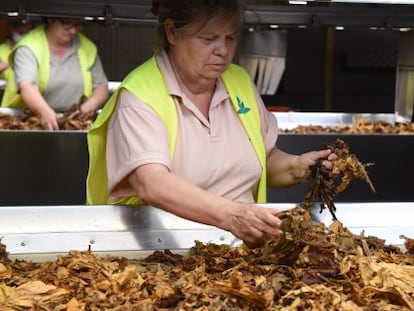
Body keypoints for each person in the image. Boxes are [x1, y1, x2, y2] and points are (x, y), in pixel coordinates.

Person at [86, 0, 336, 246]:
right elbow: (151, 183)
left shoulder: (239, 81)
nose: (223, 50)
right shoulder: (140, 95)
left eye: (231, 38)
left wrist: (298, 166)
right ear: (172, 32)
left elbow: (264, 157)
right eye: (208, 39)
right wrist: (231, 215)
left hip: (243, 253)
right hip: (164, 252)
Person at [1, 16, 109, 130]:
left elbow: (101, 86)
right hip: (26, 122)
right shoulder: (29, 46)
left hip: (73, 123)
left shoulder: (87, 47)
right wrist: (43, 111)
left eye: (77, 25)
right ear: (50, 20)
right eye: (67, 25)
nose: (73, 31)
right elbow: (27, 86)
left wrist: (89, 106)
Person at [0, 20, 32, 88]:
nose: (23, 37)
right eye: (20, 33)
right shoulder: (1, 49)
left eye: (26, 33)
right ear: (11, 30)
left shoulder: (31, 50)